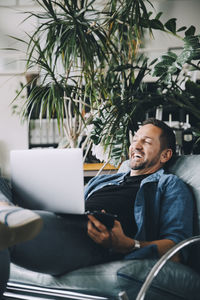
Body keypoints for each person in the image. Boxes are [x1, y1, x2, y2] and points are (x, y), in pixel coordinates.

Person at [0, 118, 194, 298]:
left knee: (6, 234)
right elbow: (73, 206)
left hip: (95, 239)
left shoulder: (169, 184)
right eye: (135, 139)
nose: (136, 145)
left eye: (147, 141)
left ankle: (9, 217)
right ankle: (9, 212)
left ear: (165, 154)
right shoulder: (102, 180)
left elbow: (176, 249)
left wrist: (129, 244)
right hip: (67, 222)